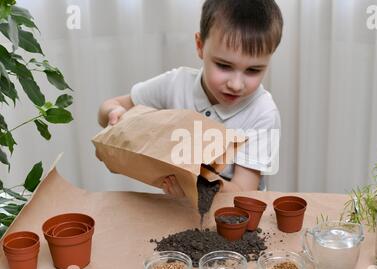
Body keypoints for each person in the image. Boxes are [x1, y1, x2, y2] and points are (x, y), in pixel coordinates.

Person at [98, 0, 283, 196]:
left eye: (253, 70)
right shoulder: (175, 84)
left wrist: (194, 183)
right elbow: (109, 108)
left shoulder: (263, 112)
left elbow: (243, 192)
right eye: (224, 66)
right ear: (200, 46)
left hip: (235, 212)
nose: (236, 84)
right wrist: (114, 113)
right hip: (181, 206)